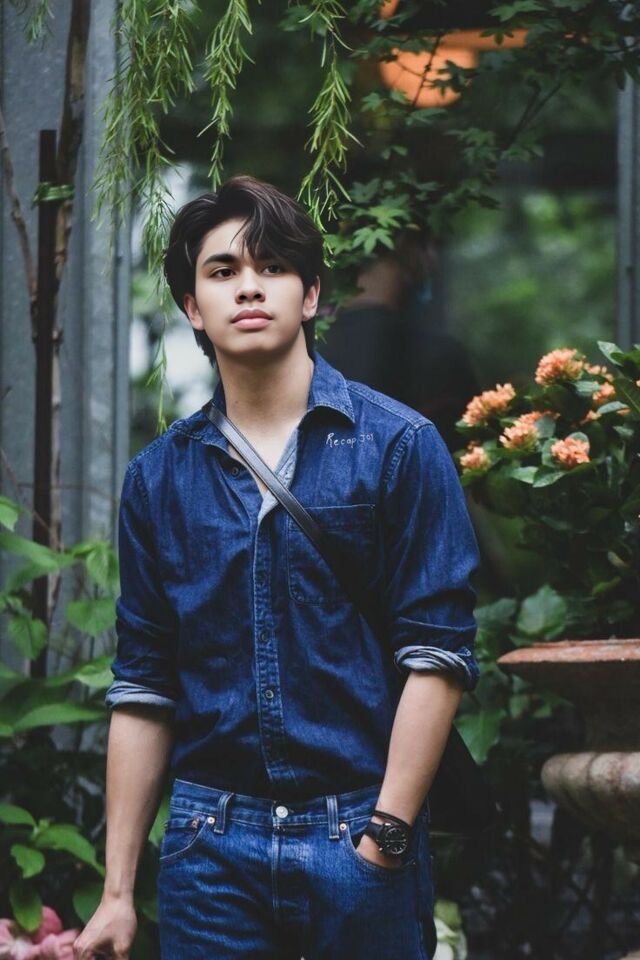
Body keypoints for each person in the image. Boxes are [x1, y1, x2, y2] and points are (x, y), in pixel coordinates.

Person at [73, 175, 481, 960]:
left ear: (312, 295)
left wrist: (386, 839)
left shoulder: (398, 447)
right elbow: (145, 685)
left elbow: (437, 654)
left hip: (359, 832)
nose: (249, 286)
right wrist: (117, 893)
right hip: (210, 850)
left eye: (272, 266)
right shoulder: (158, 478)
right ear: (193, 307)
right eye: (223, 270)